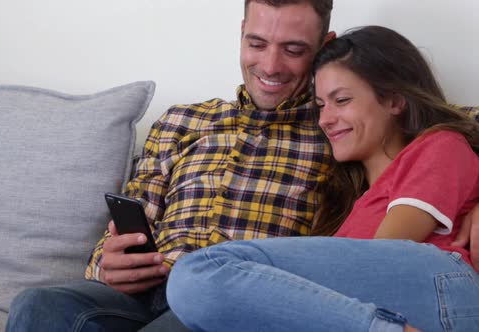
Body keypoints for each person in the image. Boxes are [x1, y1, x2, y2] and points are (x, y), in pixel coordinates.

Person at [5, 1, 479, 331]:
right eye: (257, 43)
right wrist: (106, 265)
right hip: (146, 291)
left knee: (203, 301)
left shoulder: (340, 132)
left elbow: (438, 128)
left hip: (242, 294)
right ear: (240, 35)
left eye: (293, 49)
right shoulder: (183, 122)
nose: (270, 65)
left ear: (324, 45)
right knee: (40, 305)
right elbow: (132, 215)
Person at [166, 25, 479, 332]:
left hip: (441, 290)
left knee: (201, 273)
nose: (326, 119)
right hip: (396, 309)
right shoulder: (352, 206)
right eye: (320, 106)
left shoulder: (441, 144)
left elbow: (382, 256)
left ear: (395, 101)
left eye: (341, 100)